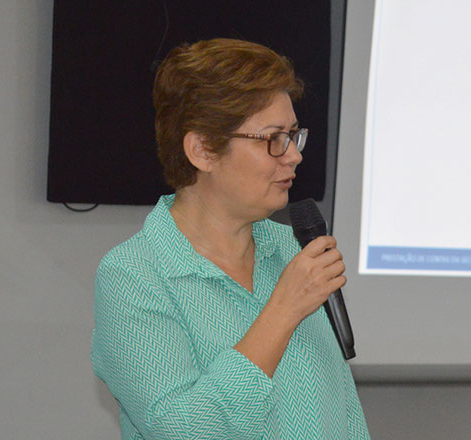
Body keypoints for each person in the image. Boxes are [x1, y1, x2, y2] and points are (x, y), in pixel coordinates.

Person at [91, 38, 370, 439]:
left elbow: (343, 413)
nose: (294, 155)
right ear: (203, 150)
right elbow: (183, 431)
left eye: (293, 135)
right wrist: (283, 309)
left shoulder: (293, 251)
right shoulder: (134, 276)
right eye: (274, 138)